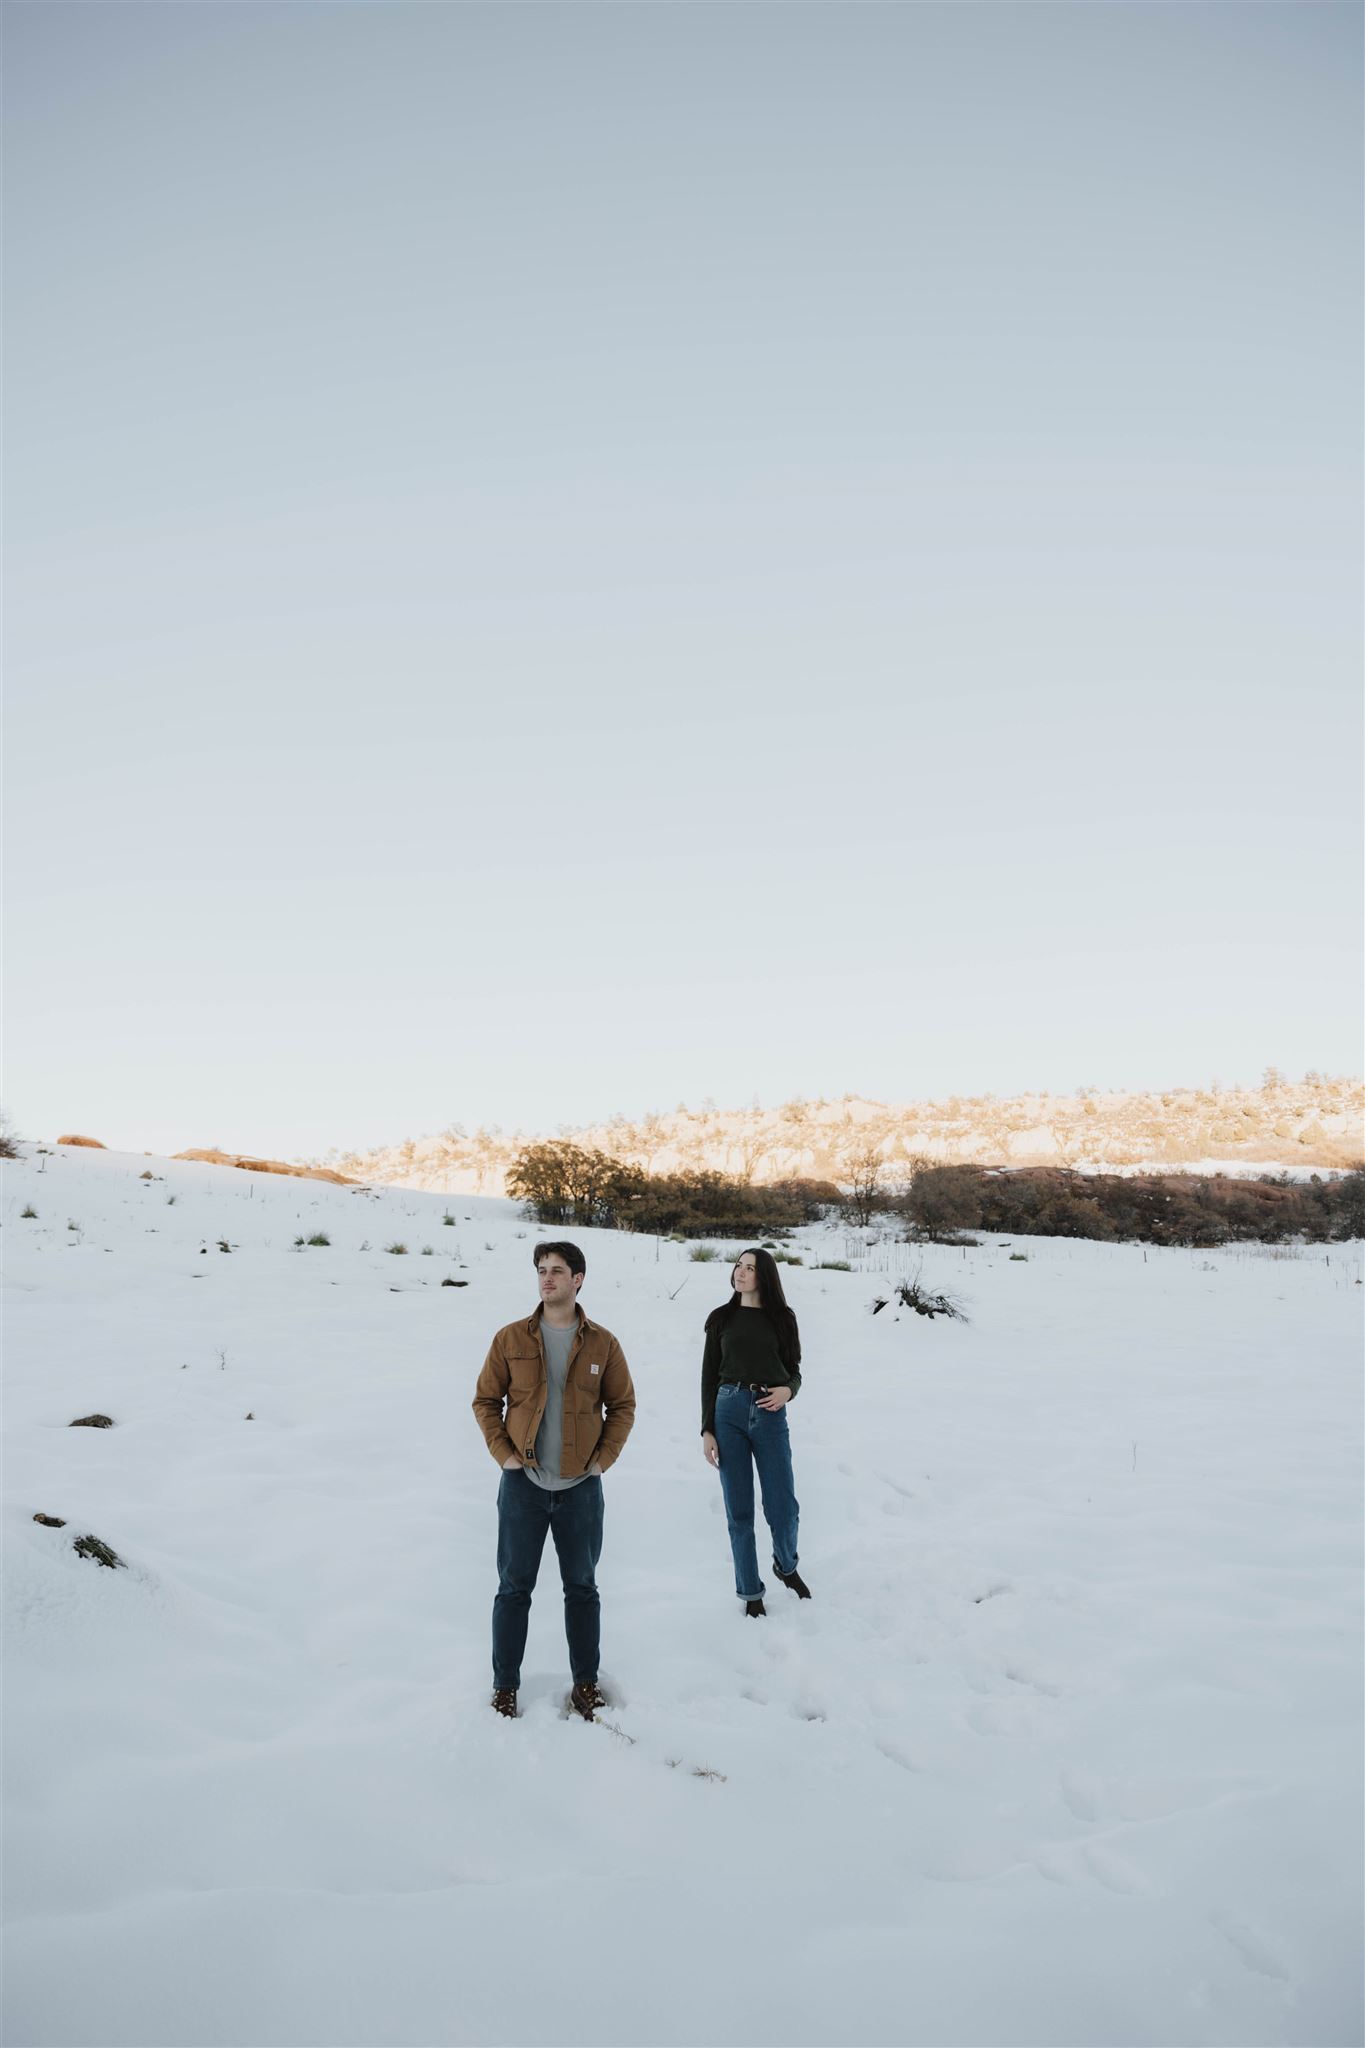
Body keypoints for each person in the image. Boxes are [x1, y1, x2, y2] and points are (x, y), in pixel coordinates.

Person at [472, 1240, 636, 1720]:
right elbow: (486, 1401)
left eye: (558, 1271)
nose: (547, 1278)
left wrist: (603, 1459)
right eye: (542, 1270)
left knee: (582, 1589)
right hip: (522, 1487)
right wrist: (504, 1455)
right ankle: (505, 1688)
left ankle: (586, 1684)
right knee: (513, 1588)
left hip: (580, 1489)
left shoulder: (603, 1344)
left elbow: (622, 1406)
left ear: (578, 1279)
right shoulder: (510, 1339)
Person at [700, 1247, 811, 1615]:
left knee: (783, 1507)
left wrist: (788, 1390)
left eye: (749, 1268)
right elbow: (708, 1376)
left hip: (769, 1411)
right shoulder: (721, 1318)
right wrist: (707, 1430)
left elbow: (794, 1369)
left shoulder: (783, 1318)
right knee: (739, 1511)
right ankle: (751, 1594)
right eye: (738, 1266)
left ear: (763, 1276)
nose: (741, 1273)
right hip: (728, 1410)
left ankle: (786, 1565)